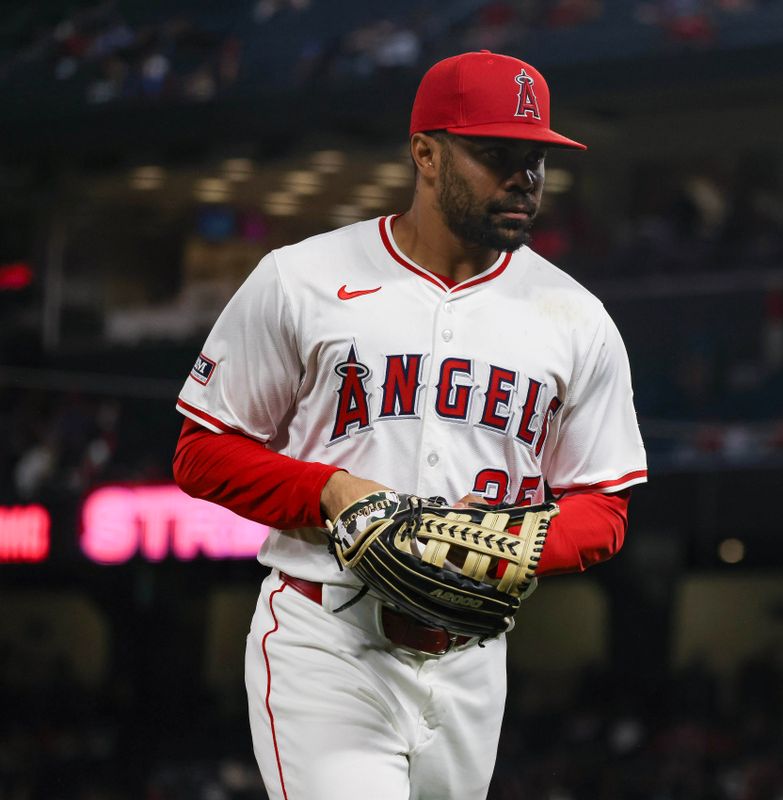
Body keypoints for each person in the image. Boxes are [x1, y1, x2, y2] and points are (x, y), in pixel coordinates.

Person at [172, 50, 647, 799]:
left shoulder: (577, 318)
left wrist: (510, 545)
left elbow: (604, 507)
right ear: (425, 153)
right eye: (497, 155)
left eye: (537, 158)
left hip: (472, 659)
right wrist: (329, 492)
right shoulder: (302, 277)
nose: (524, 178)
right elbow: (202, 454)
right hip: (329, 638)